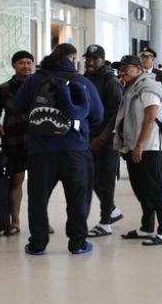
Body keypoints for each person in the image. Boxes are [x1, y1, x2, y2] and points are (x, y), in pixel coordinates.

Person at [14, 43, 103, 256]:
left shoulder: (34, 80)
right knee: (78, 198)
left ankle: (37, 244)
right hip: (75, 149)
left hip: (40, 149)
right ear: (72, 59)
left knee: (38, 198)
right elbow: (98, 116)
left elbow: (17, 106)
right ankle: (77, 243)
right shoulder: (82, 81)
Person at [112, 54, 162, 246]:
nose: (122, 72)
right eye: (120, 69)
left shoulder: (148, 87)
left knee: (156, 190)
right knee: (141, 189)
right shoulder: (132, 88)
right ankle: (147, 227)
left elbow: (150, 118)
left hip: (149, 147)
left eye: (127, 68)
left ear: (139, 70)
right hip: (134, 145)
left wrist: (139, 145)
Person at [0, 50, 36, 236]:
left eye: (29, 62)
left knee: (40, 184)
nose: (26, 66)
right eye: (21, 63)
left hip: (38, 141)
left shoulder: (41, 86)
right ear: (14, 65)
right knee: (16, 180)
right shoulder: (3, 89)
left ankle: (40, 221)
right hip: (14, 141)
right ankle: (14, 221)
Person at [82, 44, 125, 238]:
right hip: (89, 137)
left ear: (103, 60)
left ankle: (105, 221)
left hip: (107, 139)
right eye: (88, 59)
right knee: (91, 177)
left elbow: (117, 112)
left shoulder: (110, 80)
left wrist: (102, 137)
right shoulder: (86, 78)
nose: (90, 62)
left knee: (106, 180)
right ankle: (112, 210)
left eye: (95, 59)